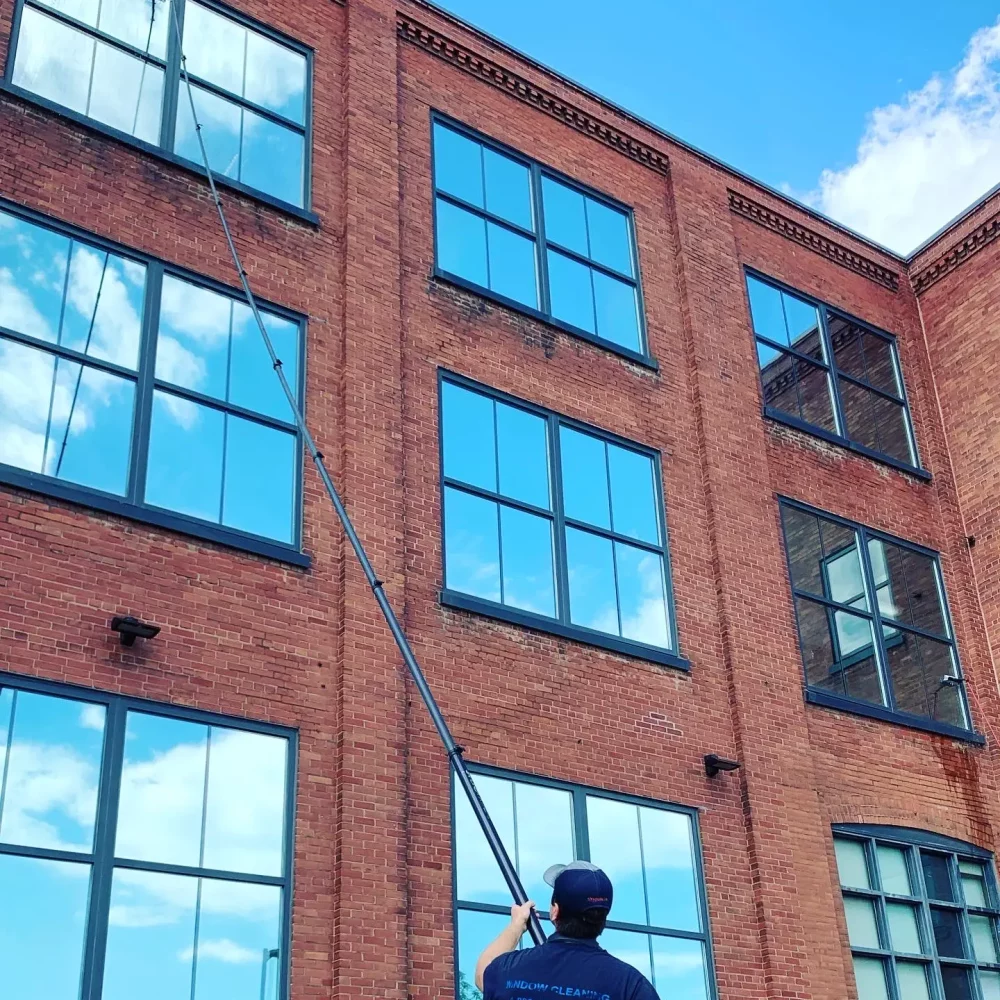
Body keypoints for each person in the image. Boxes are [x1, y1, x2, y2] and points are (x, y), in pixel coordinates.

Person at [475, 861, 660, 1000]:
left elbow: (483, 972)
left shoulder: (509, 969)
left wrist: (516, 925)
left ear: (555, 911)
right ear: (603, 919)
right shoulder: (631, 985)